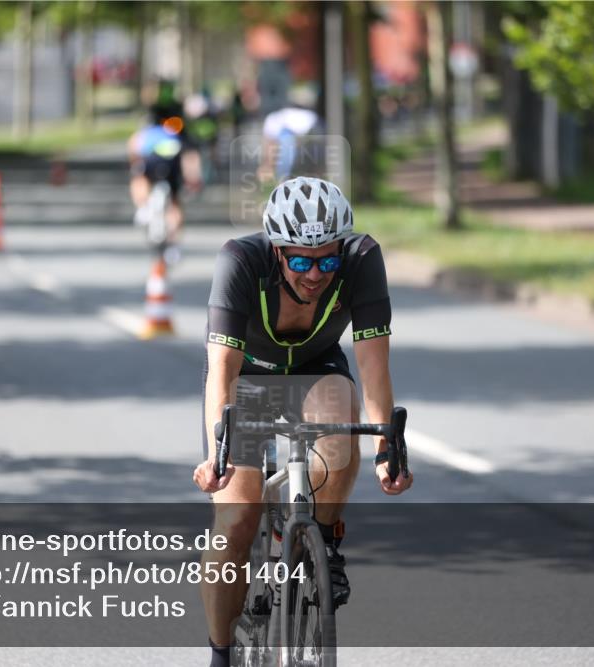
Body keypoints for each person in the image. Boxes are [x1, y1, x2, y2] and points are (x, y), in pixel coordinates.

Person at [193, 176, 413, 666]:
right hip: (246, 377)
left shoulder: (362, 260)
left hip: (316, 369)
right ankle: (220, 653)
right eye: (300, 261)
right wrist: (217, 452)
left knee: (341, 434)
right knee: (235, 522)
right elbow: (222, 373)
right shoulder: (239, 262)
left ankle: (324, 545)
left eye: (326, 260)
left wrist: (386, 450)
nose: (315, 274)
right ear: (276, 252)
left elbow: (374, 366)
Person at [127, 103, 201, 260]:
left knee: (138, 178)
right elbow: (190, 157)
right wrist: (192, 179)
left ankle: (143, 207)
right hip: (172, 163)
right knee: (174, 203)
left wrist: (134, 164)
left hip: (151, 160)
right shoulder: (174, 133)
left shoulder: (145, 133)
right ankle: (174, 245)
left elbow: (132, 149)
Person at [258, 105, 321, 183]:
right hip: (302, 132)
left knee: (286, 141)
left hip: (308, 130)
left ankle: (282, 179)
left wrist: (267, 164)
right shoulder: (274, 122)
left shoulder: (273, 123)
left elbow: (269, 144)